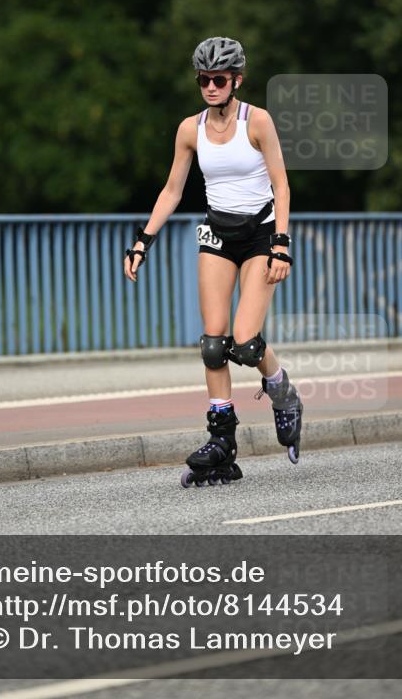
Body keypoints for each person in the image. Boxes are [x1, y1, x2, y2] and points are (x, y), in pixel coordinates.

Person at [123, 37, 303, 487]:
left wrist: (281, 244)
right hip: (217, 234)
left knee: (244, 341)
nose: (210, 86)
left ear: (236, 80)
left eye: (218, 79)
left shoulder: (256, 121)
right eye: (203, 79)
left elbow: (281, 185)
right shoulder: (190, 129)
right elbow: (172, 191)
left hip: (261, 233)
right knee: (212, 344)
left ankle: (283, 392)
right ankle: (222, 442)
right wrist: (143, 240)